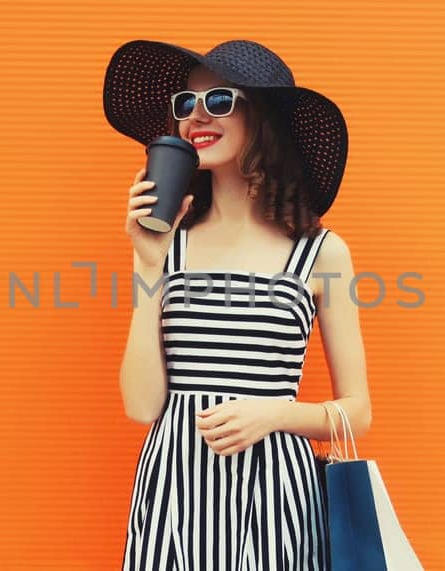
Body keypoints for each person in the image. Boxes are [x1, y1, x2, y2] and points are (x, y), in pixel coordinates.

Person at [104, 39, 371, 570]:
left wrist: (273, 412)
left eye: (219, 101)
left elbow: (356, 413)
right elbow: (140, 407)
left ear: (264, 119)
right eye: (186, 104)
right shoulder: (168, 245)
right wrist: (148, 266)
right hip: (174, 493)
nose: (196, 117)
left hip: (276, 496)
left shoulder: (321, 253)